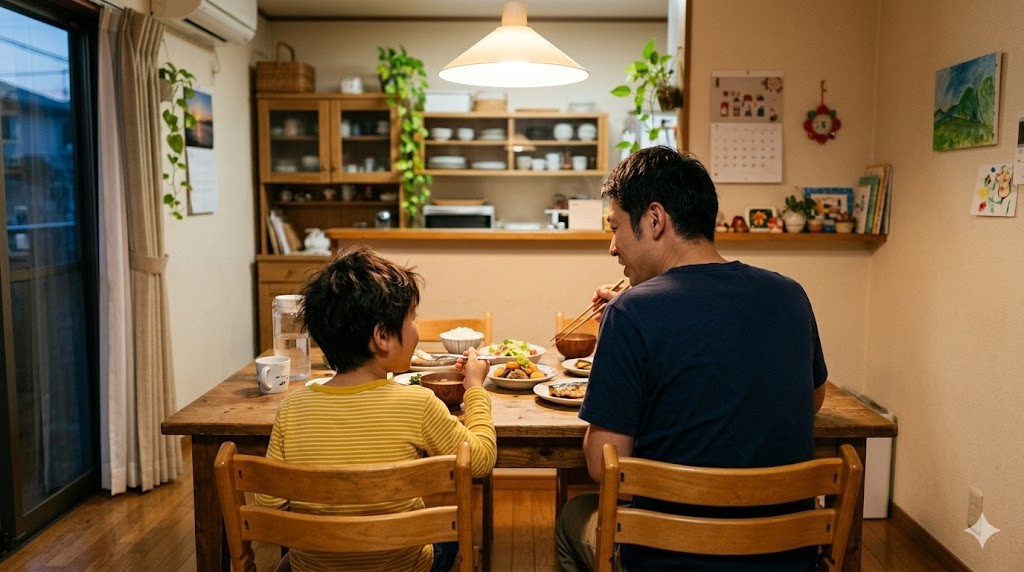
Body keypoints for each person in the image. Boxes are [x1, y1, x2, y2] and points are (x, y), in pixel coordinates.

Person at [555, 146, 828, 571]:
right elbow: (812, 402)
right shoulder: (790, 295)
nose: (612, 247)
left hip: (669, 557)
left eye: (616, 227)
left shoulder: (631, 313)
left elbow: (605, 464)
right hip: (786, 555)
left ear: (655, 219)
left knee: (573, 515)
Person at [256, 245, 496, 572]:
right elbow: (480, 460)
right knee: (449, 537)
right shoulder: (420, 404)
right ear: (382, 336)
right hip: (403, 566)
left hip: (315, 567)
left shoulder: (292, 408)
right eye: (412, 319)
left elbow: (269, 502)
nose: (417, 330)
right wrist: (475, 388)